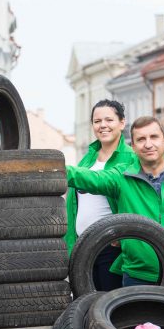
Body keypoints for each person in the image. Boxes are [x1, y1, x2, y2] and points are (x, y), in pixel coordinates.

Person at [66, 116, 164, 286]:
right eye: (141, 139)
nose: (148, 144)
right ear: (133, 147)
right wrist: (53, 167)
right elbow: (87, 177)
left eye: (154, 137)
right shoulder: (122, 177)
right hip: (137, 276)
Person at [64, 99, 135, 291]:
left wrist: (60, 169)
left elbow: (100, 180)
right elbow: (73, 203)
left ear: (122, 123)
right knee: (82, 305)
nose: (102, 125)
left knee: (106, 305)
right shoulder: (88, 158)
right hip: (82, 246)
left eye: (109, 120)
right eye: (97, 121)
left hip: (110, 248)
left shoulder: (130, 158)